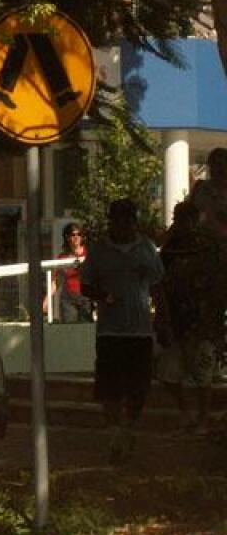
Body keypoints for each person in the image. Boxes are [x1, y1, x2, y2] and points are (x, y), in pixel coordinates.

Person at [80, 198, 165, 464]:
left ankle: (128, 428)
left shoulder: (146, 248)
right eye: (120, 219)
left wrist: (163, 319)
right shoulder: (99, 251)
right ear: (112, 221)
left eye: (129, 219)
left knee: (139, 386)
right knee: (110, 388)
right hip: (110, 331)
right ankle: (115, 435)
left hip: (140, 330)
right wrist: (103, 296)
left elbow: (158, 283)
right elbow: (85, 285)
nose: (125, 224)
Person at [154, 201, 225, 435]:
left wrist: (213, 320)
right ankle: (186, 414)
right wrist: (163, 316)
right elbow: (160, 283)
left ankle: (203, 419)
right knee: (167, 372)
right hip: (176, 320)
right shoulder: (170, 249)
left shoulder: (208, 248)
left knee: (203, 374)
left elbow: (218, 285)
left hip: (204, 320)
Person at [52, 223, 91, 323]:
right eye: (73, 235)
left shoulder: (89, 253)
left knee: (86, 330)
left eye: (79, 234)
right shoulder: (62, 257)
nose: (77, 237)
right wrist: (47, 299)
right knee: (70, 330)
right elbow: (56, 280)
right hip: (68, 298)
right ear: (67, 237)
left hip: (86, 296)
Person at [190, 146, 227, 246]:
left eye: (224, 164)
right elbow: (191, 214)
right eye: (217, 164)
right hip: (202, 245)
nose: (221, 168)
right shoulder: (201, 188)